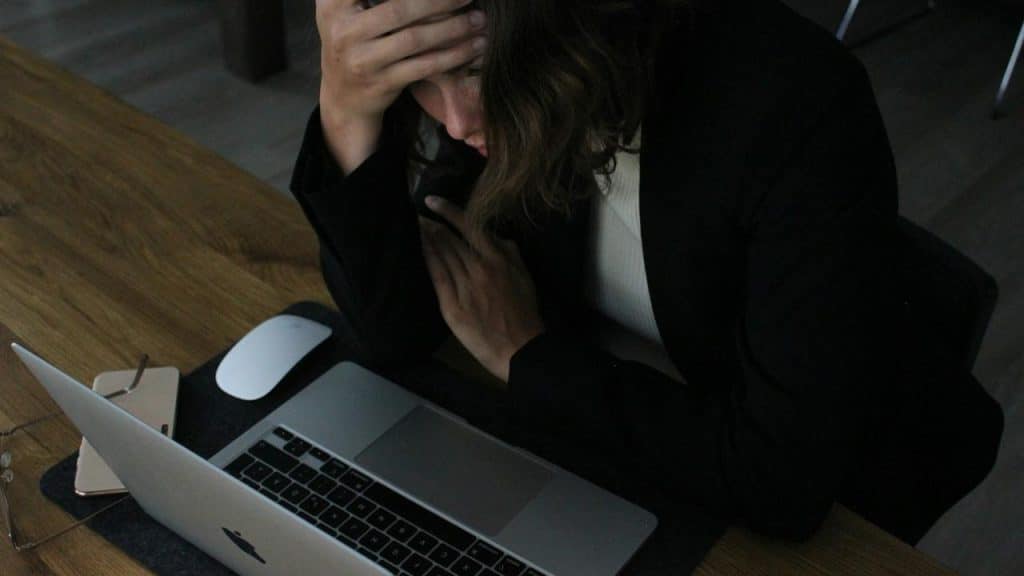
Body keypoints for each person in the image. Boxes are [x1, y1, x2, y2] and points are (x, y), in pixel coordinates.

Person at [290, 0, 999, 564]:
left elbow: (781, 485)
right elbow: (396, 329)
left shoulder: (793, 104)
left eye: (475, 73)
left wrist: (526, 355)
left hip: (817, 494)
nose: (455, 122)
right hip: (624, 441)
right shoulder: (494, 76)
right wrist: (347, 106)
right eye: (417, 83)